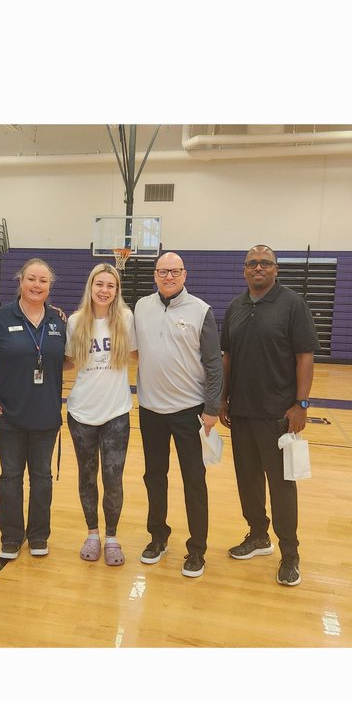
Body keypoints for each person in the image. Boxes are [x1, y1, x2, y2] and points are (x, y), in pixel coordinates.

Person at [220, 245, 318, 587]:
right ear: (244, 270)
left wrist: (300, 405)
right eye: (251, 263)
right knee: (247, 479)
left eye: (264, 263)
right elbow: (227, 357)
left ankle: (289, 552)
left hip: (278, 414)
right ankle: (258, 535)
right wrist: (222, 398)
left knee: (281, 485)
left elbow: (305, 356)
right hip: (241, 412)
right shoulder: (235, 307)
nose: (257, 267)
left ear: (275, 269)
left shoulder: (293, 304)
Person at [133, 251, 223, 578]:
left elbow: (214, 363)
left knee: (194, 482)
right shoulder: (142, 307)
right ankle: (158, 537)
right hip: (150, 411)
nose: (168, 277)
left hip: (190, 412)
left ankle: (197, 549)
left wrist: (212, 408)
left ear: (185, 274)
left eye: (174, 271)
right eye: (162, 271)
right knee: (154, 477)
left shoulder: (201, 311)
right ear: (155, 275)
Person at [0, 259, 66, 559]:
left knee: (42, 477)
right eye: (31, 279)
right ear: (20, 281)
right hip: (8, 414)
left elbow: (65, 360)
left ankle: (39, 536)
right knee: (11, 475)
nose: (37, 285)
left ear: (49, 285)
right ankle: (12, 536)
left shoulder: (57, 320)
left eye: (43, 280)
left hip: (46, 415)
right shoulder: (0, 317)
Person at [65, 264, 137, 565]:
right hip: (81, 412)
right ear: (90, 287)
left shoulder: (125, 319)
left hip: (116, 413)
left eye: (110, 285)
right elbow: (68, 362)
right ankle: (92, 533)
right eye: (99, 284)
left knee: (113, 477)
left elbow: (138, 354)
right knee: (87, 476)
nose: (104, 290)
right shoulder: (76, 321)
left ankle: (112, 538)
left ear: (116, 290)